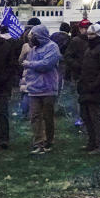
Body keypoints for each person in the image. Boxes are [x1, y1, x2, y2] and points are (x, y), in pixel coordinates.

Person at [24, 25, 61, 155]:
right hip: (34, 89)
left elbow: (46, 65)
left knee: (47, 116)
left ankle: (48, 141)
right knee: (34, 116)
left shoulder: (52, 47)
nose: (30, 38)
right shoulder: (33, 49)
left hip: (48, 87)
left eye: (32, 35)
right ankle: (38, 142)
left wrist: (30, 64)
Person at [78, 23, 100, 155]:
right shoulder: (89, 49)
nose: (89, 36)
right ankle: (91, 142)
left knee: (95, 117)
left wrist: (95, 84)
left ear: (98, 34)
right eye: (88, 34)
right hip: (85, 87)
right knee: (86, 116)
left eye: (92, 34)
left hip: (96, 88)